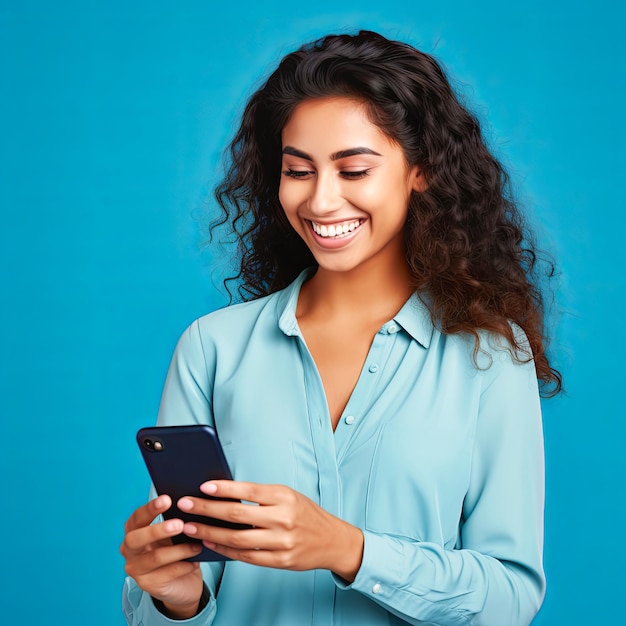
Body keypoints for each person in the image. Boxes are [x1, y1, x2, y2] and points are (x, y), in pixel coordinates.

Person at [120, 30, 561, 626]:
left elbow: (508, 597)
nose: (322, 202)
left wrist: (347, 549)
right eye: (298, 171)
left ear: (421, 171)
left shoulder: (489, 354)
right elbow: (180, 594)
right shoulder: (213, 349)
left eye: (353, 169)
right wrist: (174, 597)